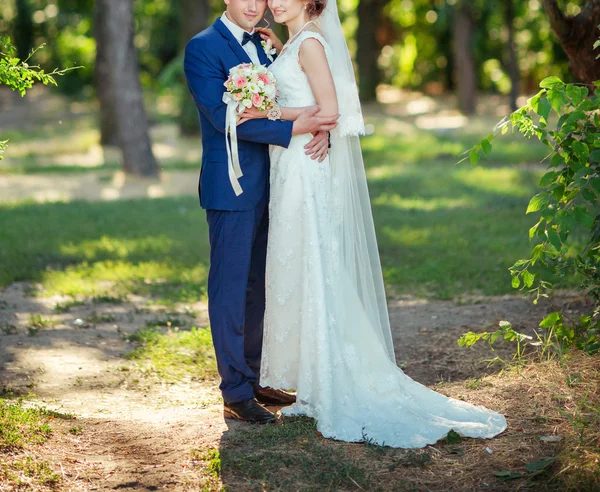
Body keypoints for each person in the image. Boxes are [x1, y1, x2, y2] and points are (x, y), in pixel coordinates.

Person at [238, 0, 508, 447]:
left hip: (305, 170)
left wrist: (269, 114)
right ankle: (314, 380)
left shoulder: (310, 45)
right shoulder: (294, 45)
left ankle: (332, 381)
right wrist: (275, 54)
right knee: (301, 264)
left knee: (314, 265)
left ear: (310, 1)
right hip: (290, 168)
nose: (277, 1)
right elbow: (303, 100)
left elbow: (329, 111)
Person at [183, 0, 339, 424]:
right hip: (230, 188)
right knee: (231, 289)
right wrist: (298, 128)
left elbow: (297, 93)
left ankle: (253, 378)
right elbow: (224, 117)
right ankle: (234, 390)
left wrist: (319, 131)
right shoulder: (202, 48)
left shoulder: (266, 46)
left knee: (261, 285)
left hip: (279, 183)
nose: (254, 5)